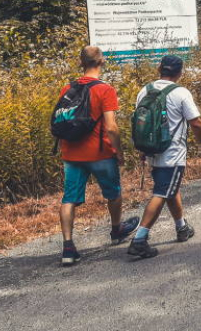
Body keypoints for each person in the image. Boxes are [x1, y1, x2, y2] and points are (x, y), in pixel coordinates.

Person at [54, 46, 138, 266]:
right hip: (99, 153)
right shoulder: (105, 89)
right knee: (113, 193)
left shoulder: (67, 88)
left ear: (82, 63)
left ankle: (68, 247)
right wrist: (118, 151)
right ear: (101, 62)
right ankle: (116, 230)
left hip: (71, 152)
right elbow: (111, 127)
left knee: (69, 198)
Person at [127, 55, 201, 259]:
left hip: (152, 151)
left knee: (169, 189)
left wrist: (142, 149)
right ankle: (139, 239)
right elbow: (197, 123)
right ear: (180, 72)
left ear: (159, 69)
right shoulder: (181, 93)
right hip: (171, 154)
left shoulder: (145, 90)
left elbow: (140, 122)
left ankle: (181, 227)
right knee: (162, 192)